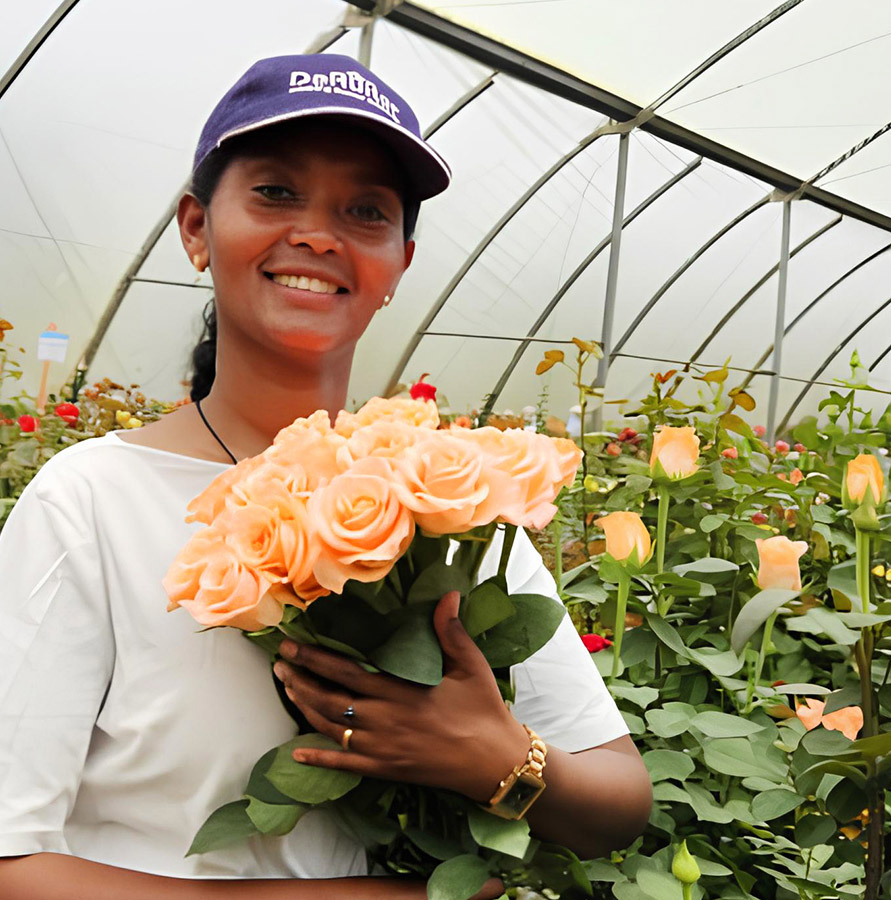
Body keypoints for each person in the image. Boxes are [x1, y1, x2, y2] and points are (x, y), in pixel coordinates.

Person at [0, 54, 651, 899]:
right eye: (274, 192)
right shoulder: (89, 500)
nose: (317, 233)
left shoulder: (450, 503)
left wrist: (497, 761)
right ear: (196, 227)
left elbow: (617, 802)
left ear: (400, 262)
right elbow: (12, 859)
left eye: (366, 210)